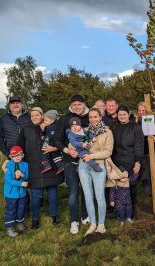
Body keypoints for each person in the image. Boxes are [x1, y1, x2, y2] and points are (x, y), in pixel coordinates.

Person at [17, 107, 64, 230]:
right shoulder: (25, 129)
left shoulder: (51, 127)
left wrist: (55, 148)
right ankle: (35, 219)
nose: (34, 117)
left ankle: (55, 216)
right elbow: (19, 147)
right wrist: (12, 162)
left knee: (52, 192)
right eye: (32, 116)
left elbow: (61, 142)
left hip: (50, 166)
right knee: (35, 195)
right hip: (33, 166)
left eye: (37, 115)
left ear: (42, 115)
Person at [54, 94, 89, 235]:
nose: (77, 107)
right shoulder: (64, 119)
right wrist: (67, 150)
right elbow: (57, 139)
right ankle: (74, 220)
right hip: (70, 162)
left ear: (84, 104)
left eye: (79, 104)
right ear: (71, 106)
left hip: (86, 160)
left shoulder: (90, 117)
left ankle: (85, 215)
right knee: (73, 191)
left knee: (86, 189)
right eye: (74, 105)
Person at [78, 108, 114, 236]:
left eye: (95, 117)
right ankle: (93, 223)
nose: (93, 119)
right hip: (83, 166)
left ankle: (101, 224)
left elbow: (108, 152)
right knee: (88, 196)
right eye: (90, 117)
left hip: (99, 165)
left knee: (99, 196)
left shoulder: (107, 132)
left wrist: (91, 156)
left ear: (100, 117)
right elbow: (75, 145)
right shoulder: (85, 131)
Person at [111, 105, 144, 219]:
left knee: (131, 186)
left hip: (131, 161)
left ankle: (131, 211)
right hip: (117, 162)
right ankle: (119, 210)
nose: (122, 116)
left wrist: (138, 162)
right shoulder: (114, 127)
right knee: (118, 186)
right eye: (120, 115)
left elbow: (139, 145)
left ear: (128, 114)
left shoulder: (135, 127)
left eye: (124, 114)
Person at [135, 102, 155, 196]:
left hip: (152, 151)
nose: (141, 112)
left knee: (153, 173)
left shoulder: (152, 122)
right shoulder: (136, 124)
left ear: (146, 111)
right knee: (145, 174)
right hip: (142, 153)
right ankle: (148, 194)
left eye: (143, 110)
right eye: (139, 110)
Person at [3, 145, 29, 238]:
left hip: (22, 193)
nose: (17, 157)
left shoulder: (25, 165)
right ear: (10, 157)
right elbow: (8, 180)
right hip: (11, 194)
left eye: (19, 155)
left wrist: (22, 175)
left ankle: (19, 222)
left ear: (22, 155)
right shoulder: (8, 166)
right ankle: (9, 227)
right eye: (14, 156)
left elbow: (27, 177)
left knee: (21, 208)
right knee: (11, 209)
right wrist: (21, 184)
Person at [40, 110, 63, 174]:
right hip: (54, 143)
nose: (44, 121)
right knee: (55, 154)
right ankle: (60, 166)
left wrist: (43, 137)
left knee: (43, 152)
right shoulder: (52, 126)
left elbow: (50, 135)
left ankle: (46, 165)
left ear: (52, 120)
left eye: (46, 120)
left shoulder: (52, 127)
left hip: (51, 142)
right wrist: (43, 130)